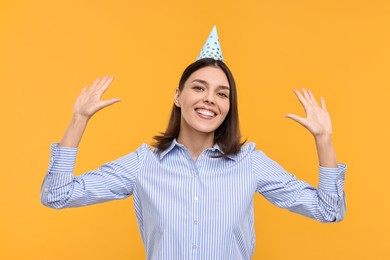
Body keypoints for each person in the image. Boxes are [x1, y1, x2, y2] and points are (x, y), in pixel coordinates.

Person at [40, 27, 346, 260]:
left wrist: (324, 140)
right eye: (199, 87)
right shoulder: (144, 163)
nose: (210, 99)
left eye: (222, 93)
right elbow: (57, 195)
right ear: (178, 96)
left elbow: (328, 210)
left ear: (228, 106)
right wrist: (79, 119)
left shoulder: (249, 163)